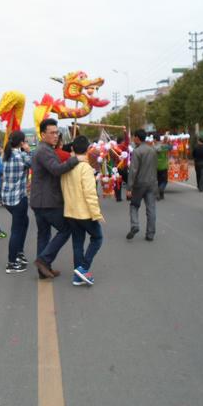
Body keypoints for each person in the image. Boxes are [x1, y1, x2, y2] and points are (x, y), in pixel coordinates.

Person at [30, 118, 80, 279]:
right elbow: (56, 169)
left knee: (43, 234)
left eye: (57, 132)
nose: (55, 136)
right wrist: (75, 159)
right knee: (66, 229)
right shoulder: (44, 150)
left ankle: (43, 269)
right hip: (48, 201)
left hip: (41, 201)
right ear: (43, 134)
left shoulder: (45, 149)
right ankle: (43, 261)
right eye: (51, 133)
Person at [61, 135, 104, 286]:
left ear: (72, 148)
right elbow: (90, 194)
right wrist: (97, 214)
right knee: (97, 238)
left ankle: (78, 276)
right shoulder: (86, 168)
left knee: (77, 243)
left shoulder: (67, 166)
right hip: (84, 212)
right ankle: (83, 268)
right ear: (87, 149)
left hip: (70, 211)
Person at [1, 131, 32, 274]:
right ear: (21, 143)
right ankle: (11, 262)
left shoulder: (5, 155)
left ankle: (19, 253)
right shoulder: (21, 156)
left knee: (24, 223)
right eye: (24, 141)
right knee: (17, 229)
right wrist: (28, 150)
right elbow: (33, 163)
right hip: (18, 197)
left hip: (7, 197)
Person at [126, 129, 158, 241]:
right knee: (151, 209)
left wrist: (129, 187)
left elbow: (133, 170)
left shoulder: (137, 151)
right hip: (152, 183)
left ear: (137, 138)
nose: (133, 139)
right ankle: (150, 234)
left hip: (139, 184)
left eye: (134, 137)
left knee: (134, 205)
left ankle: (135, 225)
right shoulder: (153, 150)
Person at [113, 133, 130, 202]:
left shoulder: (114, 148)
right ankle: (129, 196)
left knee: (118, 183)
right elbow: (127, 140)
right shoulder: (123, 146)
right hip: (123, 167)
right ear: (122, 141)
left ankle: (118, 198)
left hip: (116, 168)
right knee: (129, 182)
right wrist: (125, 132)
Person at [155, 135, 170, 200]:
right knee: (164, 181)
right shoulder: (165, 147)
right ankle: (160, 189)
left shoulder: (154, 147)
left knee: (159, 180)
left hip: (156, 166)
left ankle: (161, 195)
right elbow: (171, 147)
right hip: (164, 166)